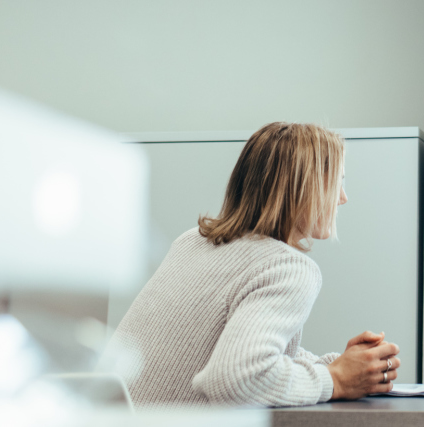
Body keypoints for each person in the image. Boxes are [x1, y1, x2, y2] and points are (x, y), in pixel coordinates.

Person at [103, 122, 400, 407]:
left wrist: (333, 366)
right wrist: (335, 380)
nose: (343, 198)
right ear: (302, 187)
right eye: (338, 183)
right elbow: (236, 380)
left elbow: (223, 350)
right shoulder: (287, 267)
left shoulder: (192, 241)